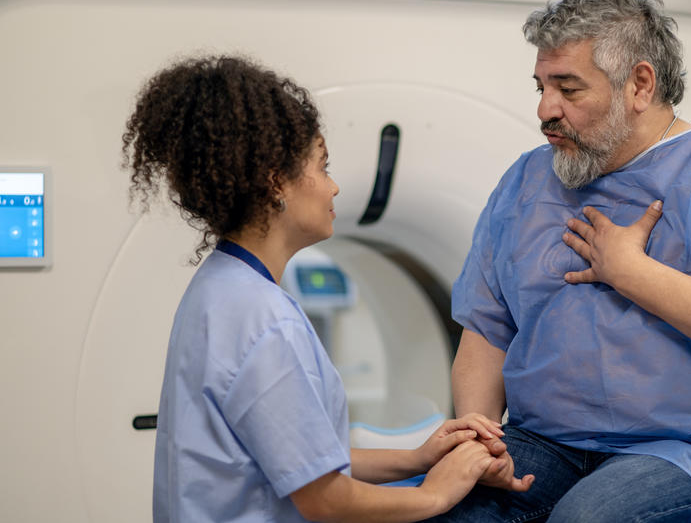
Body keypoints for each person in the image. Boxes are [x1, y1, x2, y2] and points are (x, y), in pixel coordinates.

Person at [435, 0, 691, 522]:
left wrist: (630, 272)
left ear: (640, 84)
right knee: (440, 507)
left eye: (569, 90)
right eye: (541, 86)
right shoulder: (525, 181)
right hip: (545, 441)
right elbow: (486, 330)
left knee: (589, 519)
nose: (546, 109)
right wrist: (480, 443)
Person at [122, 55, 521, 522]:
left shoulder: (220, 288)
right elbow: (324, 499)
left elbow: (302, 461)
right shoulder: (265, 322)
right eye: (323, 166)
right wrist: (434, 493)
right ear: (276, 182)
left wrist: (418, 457)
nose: (333, 188)